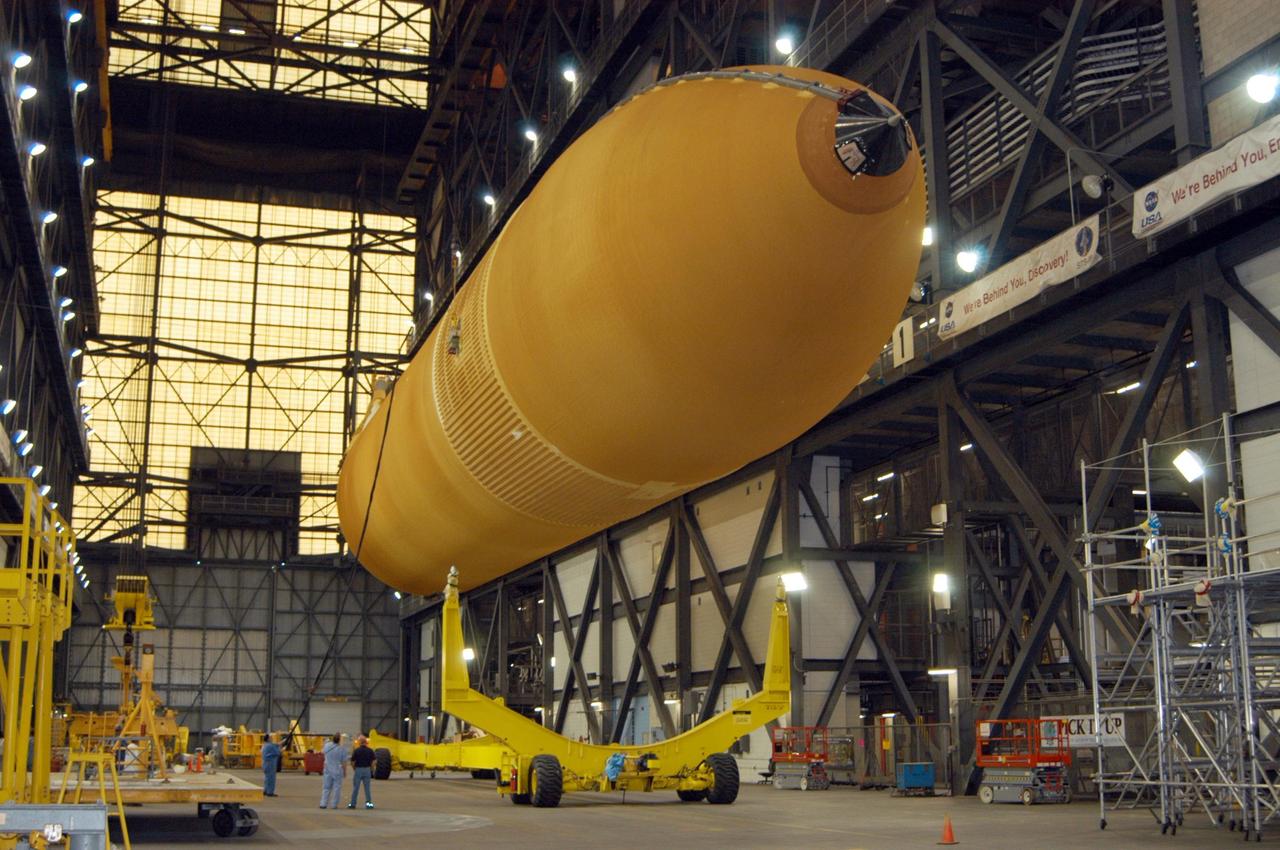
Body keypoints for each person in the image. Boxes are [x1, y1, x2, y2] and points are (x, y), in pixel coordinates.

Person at [319, 733, 346, 809]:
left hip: (327, 769)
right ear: (339, 740)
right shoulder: (342, 749)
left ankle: (323, 803)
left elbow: (322, 752)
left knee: (326, 787)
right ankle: (334, 804)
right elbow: (344, 762)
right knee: (337, 788)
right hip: (337, 769)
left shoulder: (327, 745)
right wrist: (344, 772)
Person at [347, 735, 375, 809]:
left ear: (360, 742)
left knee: (356, 788)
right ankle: (369, 804)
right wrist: (371, 769)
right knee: (367, 788)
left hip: (358, 769)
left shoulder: (356, 751)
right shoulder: (370, 750)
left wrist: (354, 769)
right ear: (366, 742)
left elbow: (352, 762)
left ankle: (353, 804)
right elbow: (374, 761)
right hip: (367, 769)